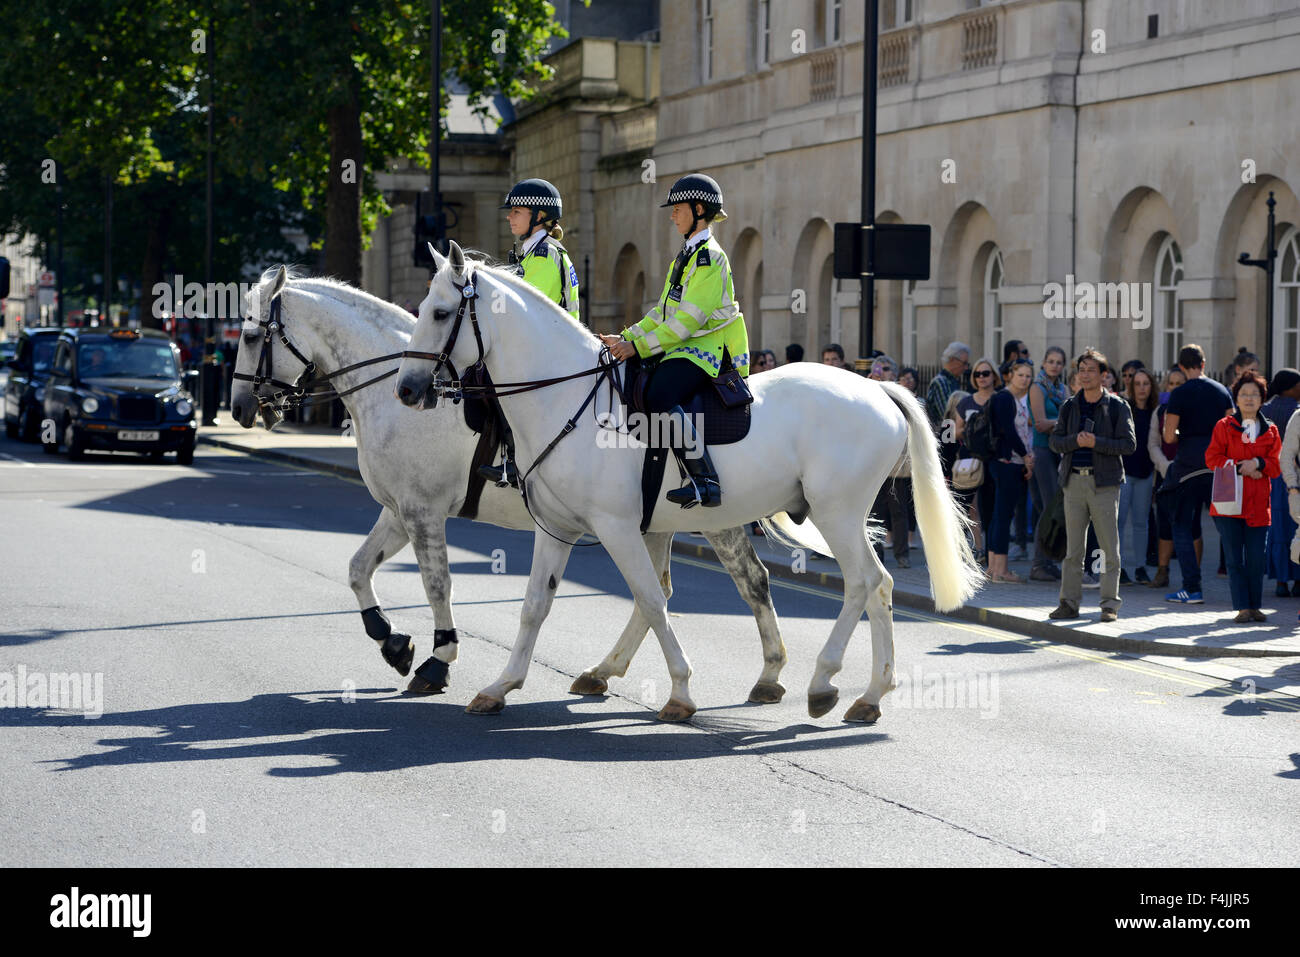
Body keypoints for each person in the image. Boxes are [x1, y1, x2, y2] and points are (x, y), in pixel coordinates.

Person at [602, 173, 749, 508]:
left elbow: (686, 322)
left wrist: (637, 347)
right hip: (682, 347)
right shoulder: (685, 257)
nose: (672, 215)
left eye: (678, 208)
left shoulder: (711, 258)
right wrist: (625, 338)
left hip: (707, 349)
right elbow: (662, 312)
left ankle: (704, 481)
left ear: (699, 209)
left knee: (660, 393)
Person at [478, 177, 582, 486]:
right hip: (544, 345)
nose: (509, 217)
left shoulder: (545, 255)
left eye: (516, 212)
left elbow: (524, 309)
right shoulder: (532, 253)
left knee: (495, 386)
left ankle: (513, 462)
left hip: (551, 351)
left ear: (539, 216)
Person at [1048, 349, 1137, 622]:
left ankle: (1109, 604)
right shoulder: (1069, 405)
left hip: (1105, 484)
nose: (1084, 374)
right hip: (1073, 481)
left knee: (1110, 548)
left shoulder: (1118, 406)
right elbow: (1055, 442)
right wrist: (1077, 440)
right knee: (1073, 550)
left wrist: (1096, 442)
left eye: (1090, 370)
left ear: (1103, 375)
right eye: (1081, 369)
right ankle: (1068, 603)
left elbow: (1129, 445)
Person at [1206, 370, 1281, 622]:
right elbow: (1212, 458)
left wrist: (1259, 463)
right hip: (1229, 503)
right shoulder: (1224, 426)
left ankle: (1255, 605)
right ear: (1236, 398)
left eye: (1254, 394)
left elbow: (1276, 464)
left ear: (1262, 399)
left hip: (1259, 504)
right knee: (1235, 559)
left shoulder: (1270, 429)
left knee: (1257, 560)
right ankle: (1242, 607)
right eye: (1244, 394)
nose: (1249, 399)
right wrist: (1241, 466)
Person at [1161, 343, 1234, 603]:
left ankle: (1192, 588)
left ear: (1181, 366)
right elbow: (1232, 431)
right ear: (1204, 364)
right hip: (1218, 465)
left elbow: (1168, 436)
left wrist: (1183, 434)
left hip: (1187, 466)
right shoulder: (1222, 391)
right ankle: (1241, 586)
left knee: (1181, 524)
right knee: (1226, 525)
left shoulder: (1179, 394)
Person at [986, 359, 1036, 583]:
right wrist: (1026, 455)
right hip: (1008, 462)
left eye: (1028, 376)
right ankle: (1001, 570)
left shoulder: (1012, 398)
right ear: (1010, 376)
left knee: (999, 514)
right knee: (1003, 516)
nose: (1025, 380)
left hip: (1009, 462)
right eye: (1021, 375)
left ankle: (993, 568)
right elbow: (1009, 431)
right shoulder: (1005, 398)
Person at [1147, 366, 1196, 588]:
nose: (1175, 387)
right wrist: (1164, 465)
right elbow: (1153, 443)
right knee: (1164, 524)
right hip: (1165, 474)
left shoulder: (1194, 409)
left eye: (1180, 383)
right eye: (1172, 383)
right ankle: (1162, 571)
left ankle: (1194, 576)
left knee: (1193, 524)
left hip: (1189, 473)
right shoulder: (1159, 411)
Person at [1026, 346, 1069, 581]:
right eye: (1051, 361)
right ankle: (1038, 563)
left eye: (1059, 362)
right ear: (1043, 363)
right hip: (1042, 451)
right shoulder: (1037, 387)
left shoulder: (1062, 389)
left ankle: (1049, 560)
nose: (1054, 365)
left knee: (1051, 508)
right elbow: (1040, 423)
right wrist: (1063, 421)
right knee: (1049, 507)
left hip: (1058, 452)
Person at [958, 358, 1001, 562]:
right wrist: (970, 430)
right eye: (977, 374)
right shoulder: (965, 402)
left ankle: (991, 554)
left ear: (994, 375)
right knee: (967, 507)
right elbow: (953, 431)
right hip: (969, 461)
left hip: (994, 460)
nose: (982, 377)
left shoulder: (1002, 398)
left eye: (986, 373)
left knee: (991, 509)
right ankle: (973, 550)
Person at [1119, 368, 1159, 583]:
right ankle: (1120, 567)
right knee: (1120, 521)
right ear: (1131, 387)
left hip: (1145, 473)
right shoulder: (1124, 409)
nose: (1142, 388)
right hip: (1124, 473)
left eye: (1146, 383)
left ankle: (1140, 567)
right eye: (1137, 384)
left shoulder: (1156, 411)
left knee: (1141, 522)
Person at [1262, 368, 1300, 595]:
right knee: (1296, 526)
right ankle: (1297, 580)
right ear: (1291, 387)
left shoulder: (1264, 409)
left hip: (1273, 477)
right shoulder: (1296, 410)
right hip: (1293, 478)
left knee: (1277, 530)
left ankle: (1280, 582)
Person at [927, 341, 971, 427]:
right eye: (964, 363)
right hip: (943, 436)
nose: (966, 368)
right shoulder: (940, 382)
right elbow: (948, 415)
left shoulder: (952, 380)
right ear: (952, 360)